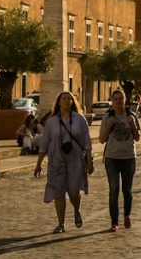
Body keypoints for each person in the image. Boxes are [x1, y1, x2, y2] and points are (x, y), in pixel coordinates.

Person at [34, 91, 93, 234]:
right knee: (58, 192)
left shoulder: (80, 119)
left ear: (73, 102)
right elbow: (45, 143)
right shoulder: (52, 122)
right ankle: (61, 223)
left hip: (75, 160)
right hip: (56, 160)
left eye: (69, 99)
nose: (67, 101)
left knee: (73, 192)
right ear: (59, 102)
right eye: (64, 99)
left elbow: (87, 141)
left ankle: (77, 210)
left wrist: (89, 161)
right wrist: (39, 163)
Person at [98, 89, 141, 232]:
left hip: (129, 158)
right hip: (112, 158)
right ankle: (114, 221)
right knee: (114, 190)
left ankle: (127, 216)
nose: (118, 101)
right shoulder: (107, 117)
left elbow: (137, 137)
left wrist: (132, 125)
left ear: (124, 100)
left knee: (127, 191)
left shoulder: (131, 115)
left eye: (120, 98)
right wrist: (110, 125)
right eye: (115, 99)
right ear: (112, 101)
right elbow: (101, 139)